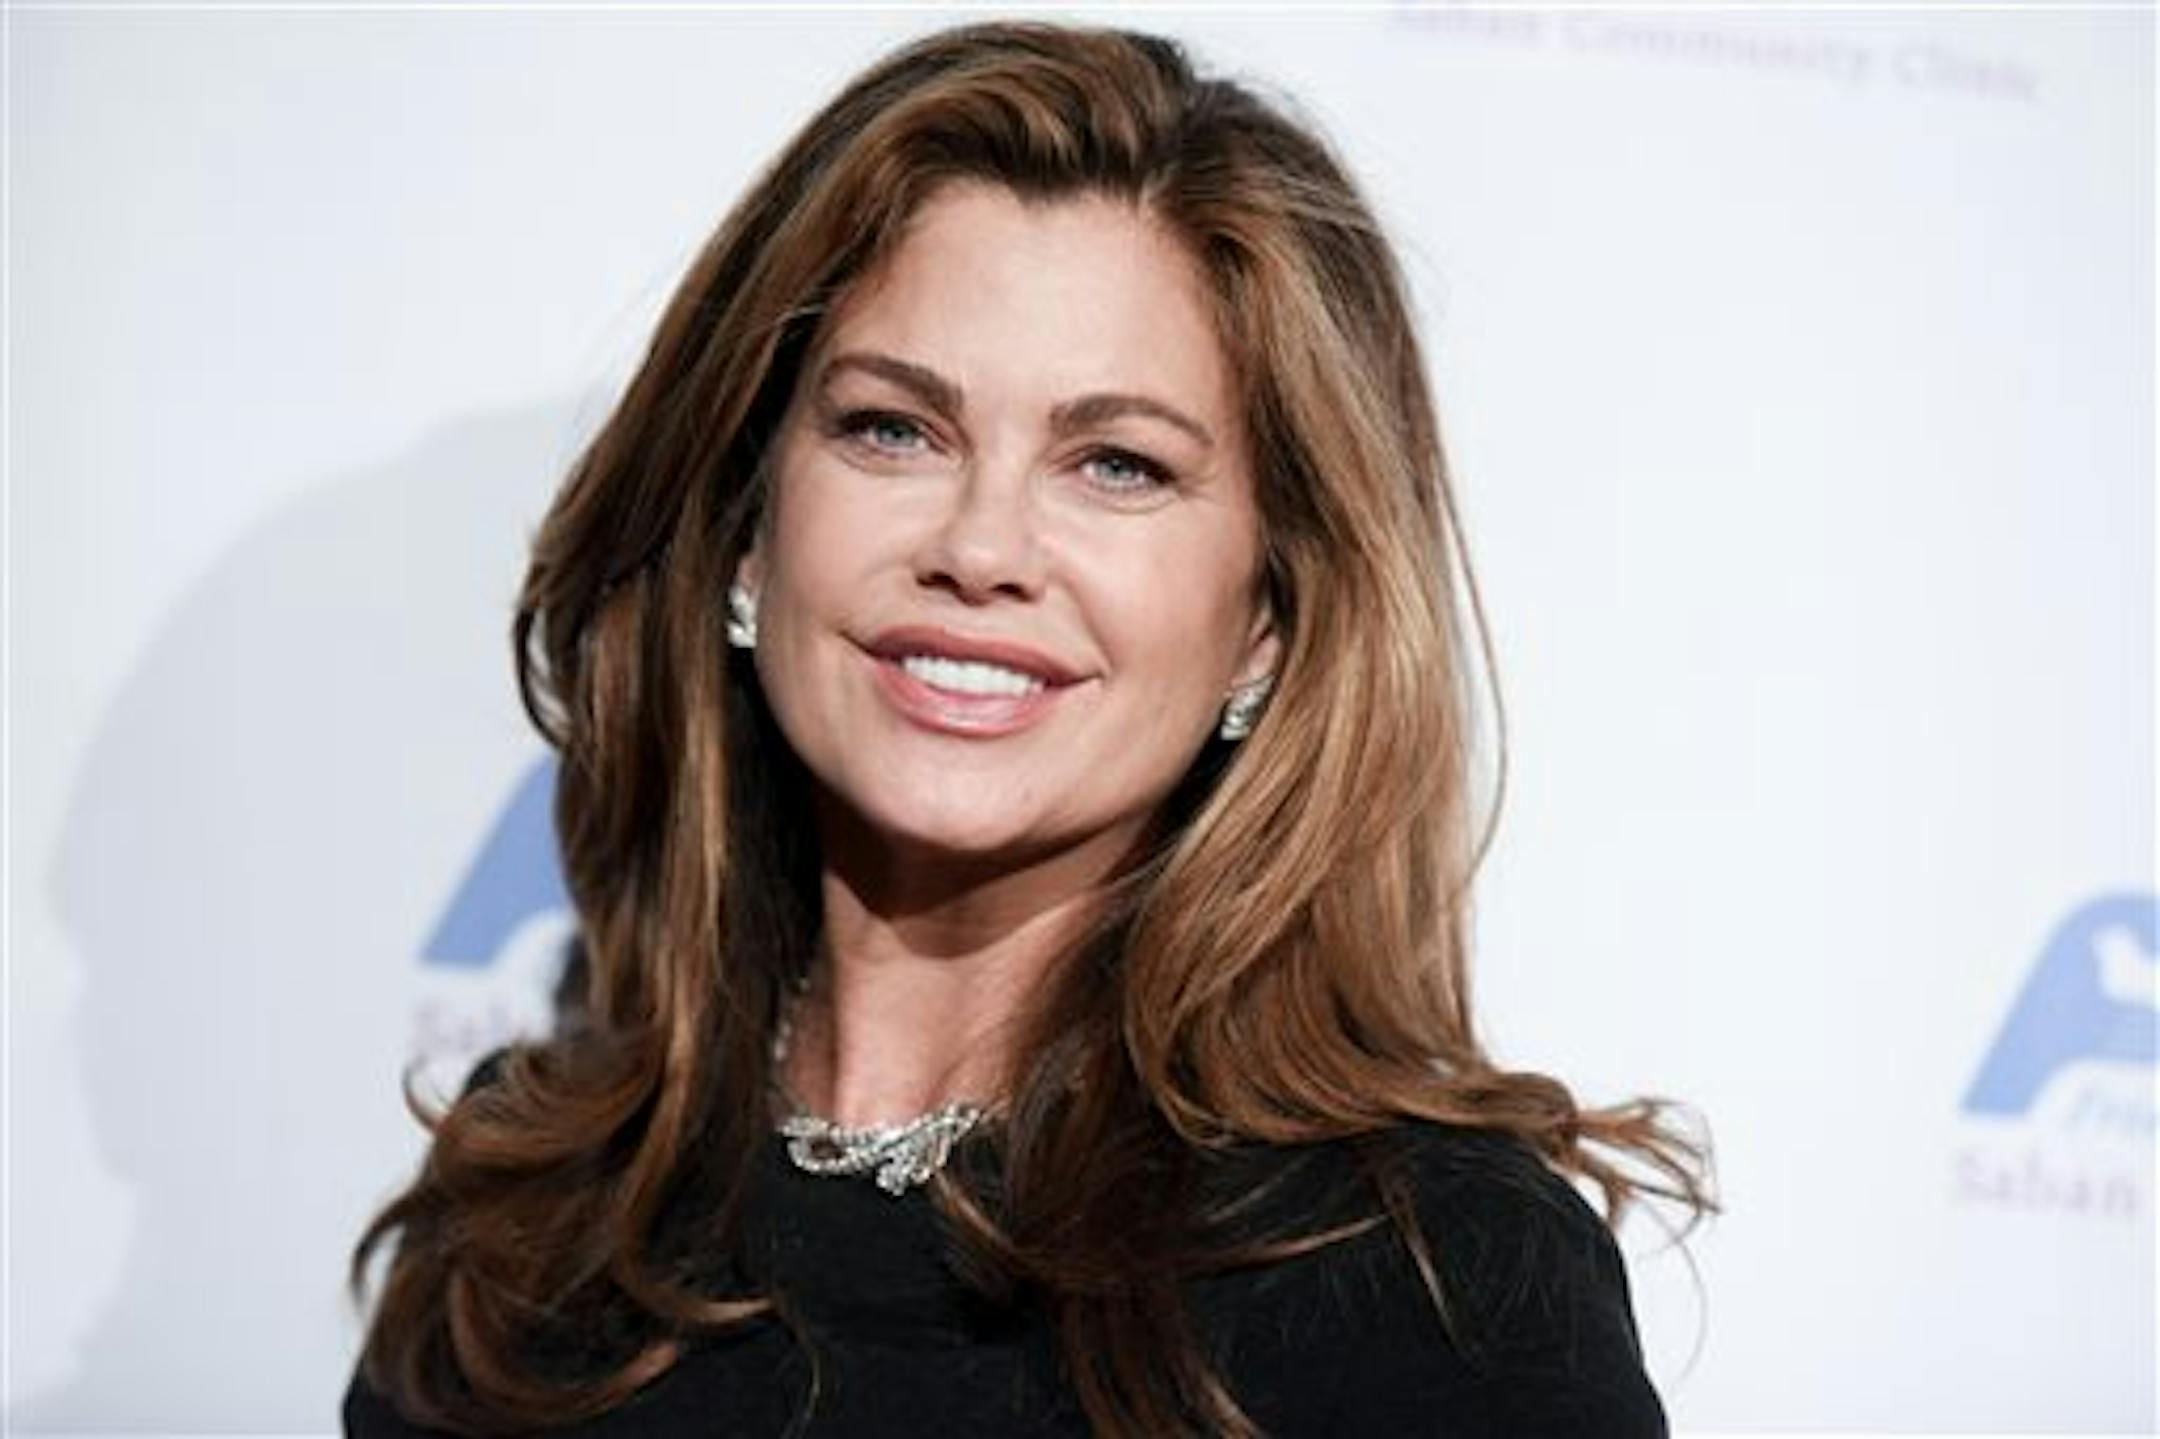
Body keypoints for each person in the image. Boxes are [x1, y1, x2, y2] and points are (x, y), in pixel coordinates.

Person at [345, 20, 1715, 1437]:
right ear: (748, 527)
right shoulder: (528, 1215)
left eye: (1118, 464)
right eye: (893, 430)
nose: (982, 546)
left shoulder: (1429, 1280)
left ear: (1269, 618)